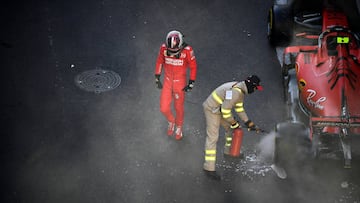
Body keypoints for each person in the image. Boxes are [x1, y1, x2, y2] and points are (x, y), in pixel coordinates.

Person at [202, 75, 263, 180]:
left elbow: (239, 108)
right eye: (255, 88)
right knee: (213, 137)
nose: (255, 90)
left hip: (219, 109)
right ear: (250, 86)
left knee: (230, 129)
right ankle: (209, 168)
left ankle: (229, 152)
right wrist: (234, 122)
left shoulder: (240, 90)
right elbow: (226, 112)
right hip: (212, 109)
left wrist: (248, 122)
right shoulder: (236, 92)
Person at [154, 30, 197, 140]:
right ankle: (171, 121)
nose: (172, 54)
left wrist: (191, 82)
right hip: (168, 82)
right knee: (163, 108)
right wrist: (157, 77)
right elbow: (159, 61)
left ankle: (179, 127)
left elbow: (193, 67)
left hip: (180, 83)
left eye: (175, 51)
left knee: (178, 108)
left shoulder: (188, 50)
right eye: (170, 51)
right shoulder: (163, 48)